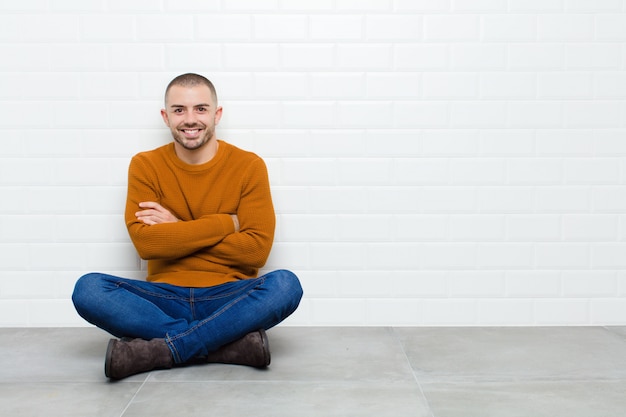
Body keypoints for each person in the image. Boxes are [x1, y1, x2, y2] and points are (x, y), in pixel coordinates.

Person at [72, 73, 303, 380]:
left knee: (286, 285)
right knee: (89, 289)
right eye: (179, 110)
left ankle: (166, 348)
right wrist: (225, 223)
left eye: (201, 109)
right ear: (165, 117)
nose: (190, 119)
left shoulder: (249, 166)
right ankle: (224, 345)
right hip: (162, 300)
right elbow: (148, 245)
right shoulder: (145, 165)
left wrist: (177, 229)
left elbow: (256, 252)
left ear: (217, 114)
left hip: (229, 297)